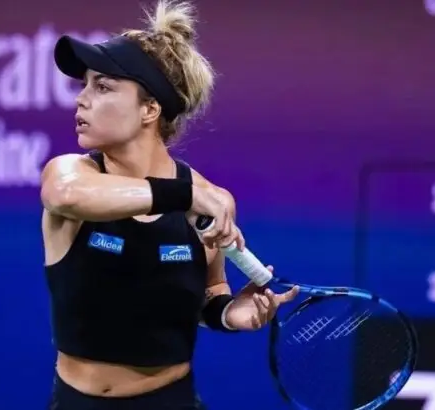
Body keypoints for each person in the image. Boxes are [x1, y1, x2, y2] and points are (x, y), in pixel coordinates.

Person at [40, 1, 299, 408]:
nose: (81, 100)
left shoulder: (212, 201)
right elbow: (65, 195)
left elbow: (208, 292)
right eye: (84, 85)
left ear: (150, 109)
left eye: (102, 87)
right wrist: (184, 195)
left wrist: (228, 312)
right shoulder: (70, 174)